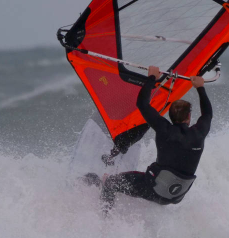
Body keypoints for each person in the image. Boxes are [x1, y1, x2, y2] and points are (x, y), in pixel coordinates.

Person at [90, 65, 212, 209]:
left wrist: (152, 78)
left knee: (111, 183)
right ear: (189, 116)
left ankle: (104, 218)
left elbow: (142, 103)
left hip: (152, 189)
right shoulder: (199, 133)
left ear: (170, 116)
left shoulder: (164, 128)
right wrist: (200, 87)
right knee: (155, 180)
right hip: (176, 196)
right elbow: (207, 114)